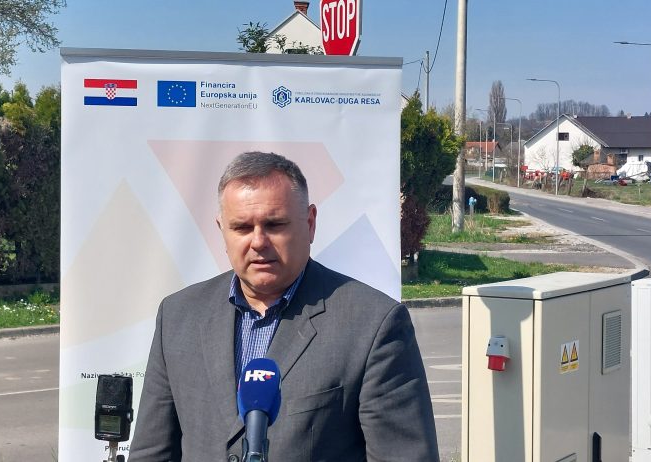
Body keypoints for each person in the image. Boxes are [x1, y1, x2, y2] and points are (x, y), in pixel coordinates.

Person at [129, 152, 438, 461]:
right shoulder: (178, 316)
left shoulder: (373, 324)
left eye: (274, 225)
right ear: (222, 229)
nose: (258, 242)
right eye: (242, 228)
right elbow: (151, 454)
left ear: (310, 223)